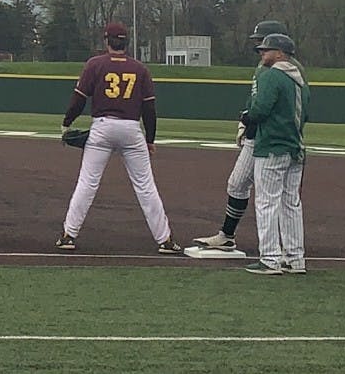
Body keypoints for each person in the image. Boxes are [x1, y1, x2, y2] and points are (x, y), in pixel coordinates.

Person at [55, 22, 182, 255]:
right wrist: (150, 139)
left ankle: (68, 235)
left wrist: (67, 122)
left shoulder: (95, 64)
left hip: (102, 127)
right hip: (131, 129)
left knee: (87, 183)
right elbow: (149, 108)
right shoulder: (140, 69)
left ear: (106, 41)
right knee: (145, 186)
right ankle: (165, 240)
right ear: (126, 42)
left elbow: (79, 98)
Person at [192, 20, 306, 252]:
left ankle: (273, 252)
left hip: (268, 138)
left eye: (263, 43)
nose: (258, 48)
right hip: (262, 134)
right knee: (238, 185)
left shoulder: (279, 71)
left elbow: (265, 105)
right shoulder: (268, 68)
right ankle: (228, 235)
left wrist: (249, 120)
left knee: (272, 199)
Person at [241, 33, 310, 275]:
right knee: (291, 203)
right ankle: (295, 258)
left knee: (267, 202)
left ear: (280, 53)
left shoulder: (273, 75)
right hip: (296, 147)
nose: (262, 53)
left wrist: (246, 118)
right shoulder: (300, 79)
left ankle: (269, 258)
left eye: (266, 49)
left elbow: (259, 109)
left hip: (272, 145)